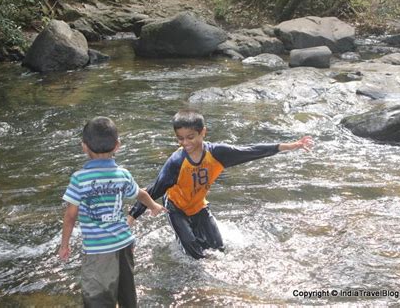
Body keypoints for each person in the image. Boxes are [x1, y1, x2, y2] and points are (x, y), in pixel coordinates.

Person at [127, 109, 313, 259]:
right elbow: (153, 189)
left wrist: (289, 146)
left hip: (199, 205)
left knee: (219, 249)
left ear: (203, 132)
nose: (186, 143)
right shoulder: (176, 162)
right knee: (194, 255)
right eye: (180, 138)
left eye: (190, 137)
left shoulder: (218, 154)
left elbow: (250, 151)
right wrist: (131, 219)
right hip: (175, 208)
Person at [58, 116, 166, 307]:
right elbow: (140, 194)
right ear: (117, 145)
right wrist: (153, 206)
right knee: (126, 293)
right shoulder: (122, 174)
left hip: (98, 250)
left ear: (84, 146)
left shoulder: (79, 179)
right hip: (124, 244)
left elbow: (70, 216)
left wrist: (64, 244)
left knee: (97, 296)